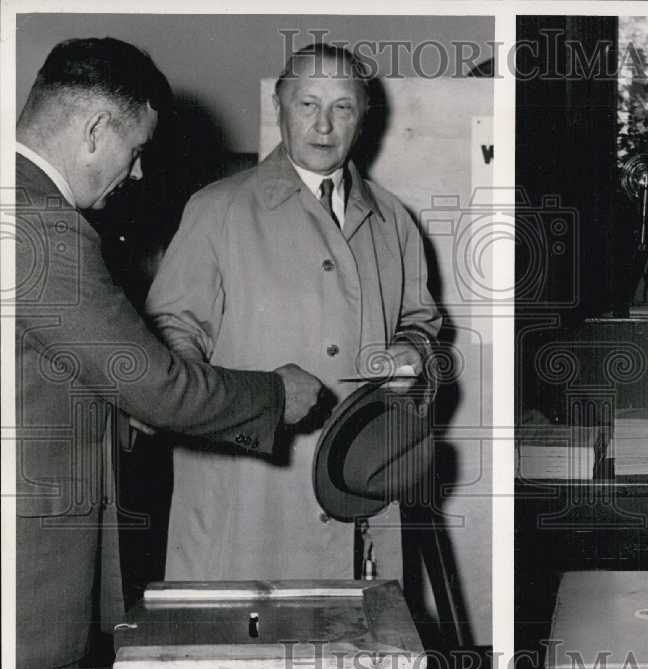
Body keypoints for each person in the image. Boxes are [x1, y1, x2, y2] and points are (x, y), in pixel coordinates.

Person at [14, 37, 325, 669]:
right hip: (28, 567)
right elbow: (156, 385)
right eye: (135, 151)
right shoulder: (42, 224)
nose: (136, 173)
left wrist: (127, 410)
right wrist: (276, 393)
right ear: (95, 130)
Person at [145, 43, 441, 582]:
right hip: (249, 492)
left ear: (363, 117)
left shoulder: (393, 220)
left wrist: (411, 350)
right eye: (308, 104)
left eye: (342, 107)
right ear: (278, 108)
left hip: (359, 480)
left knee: (353, 630)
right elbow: (173, 341)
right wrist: (221, 409)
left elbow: (421, 322)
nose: (324, 125)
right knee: (247, 627)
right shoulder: (217, 209)